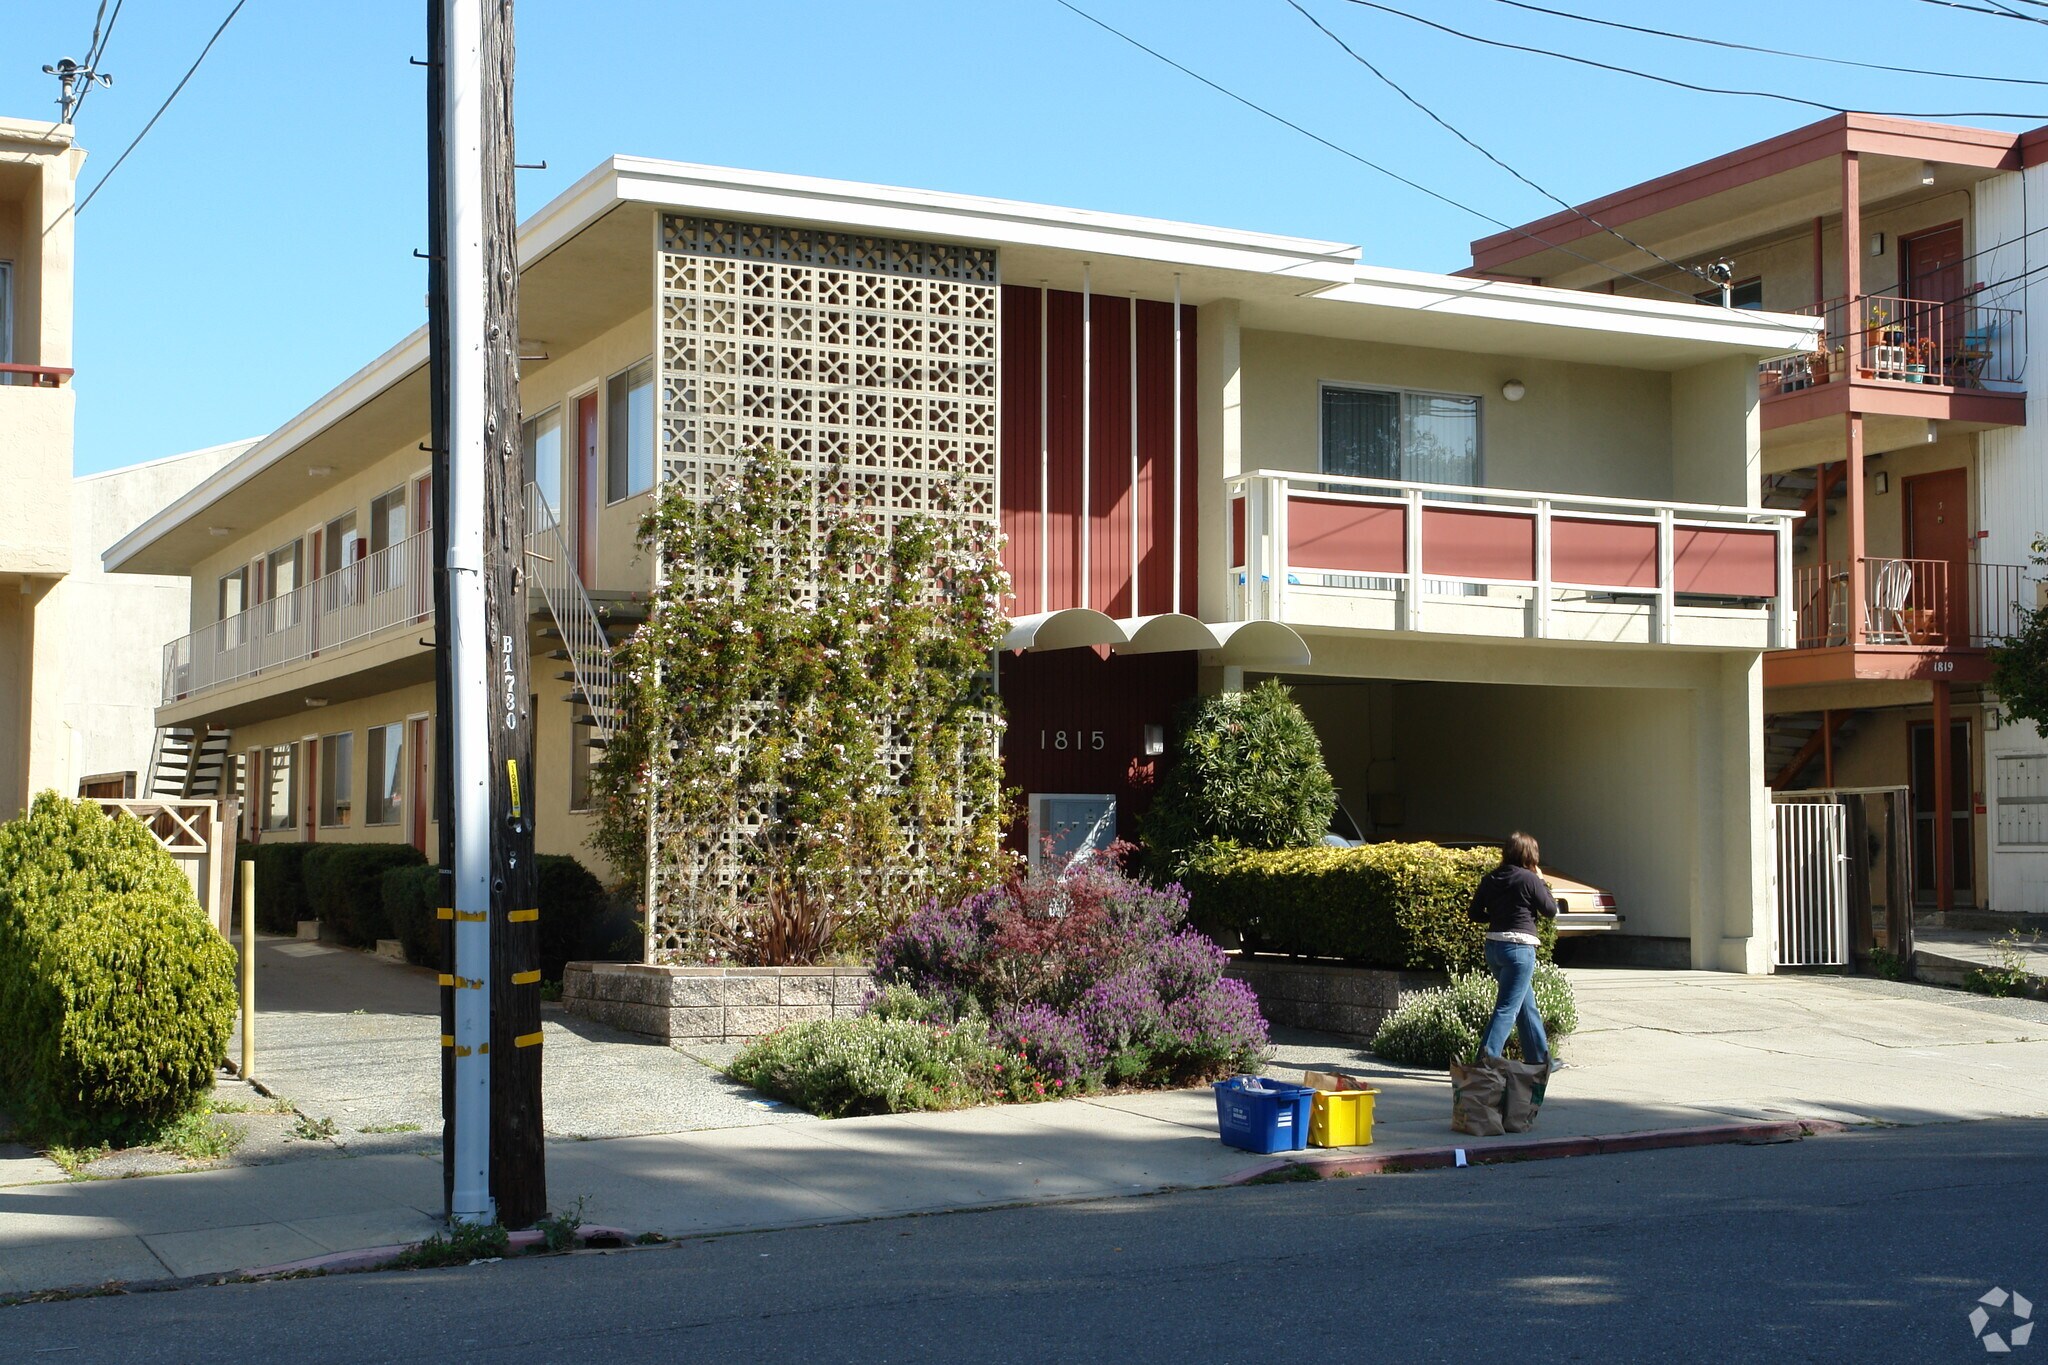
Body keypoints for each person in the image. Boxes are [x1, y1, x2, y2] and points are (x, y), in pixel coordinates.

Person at [1466, 832, 1556, 1066]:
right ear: (1530, 855)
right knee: (1507, 1009)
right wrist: (1542, 881)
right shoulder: (1529, 879)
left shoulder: (1491, 878)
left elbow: (1474, 913)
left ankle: (1540, 1060)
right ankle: (1485, 1061)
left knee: (1526, 1004)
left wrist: (1497, 916)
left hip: (1494, 948)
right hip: (1519, 949)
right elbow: (1550, 910)